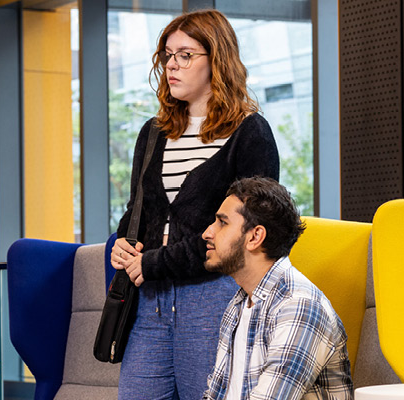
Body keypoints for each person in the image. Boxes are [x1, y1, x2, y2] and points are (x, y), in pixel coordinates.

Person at [109, 9, 280, 400]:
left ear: (216, 60)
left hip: (214, 297)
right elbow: (142, 209)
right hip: (150, 300)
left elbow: (247, 230)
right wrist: (124, 242)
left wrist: (153, 261)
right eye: (168, 55)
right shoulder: (153, 133)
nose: (172, 65)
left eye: (185, 55)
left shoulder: (249, 132)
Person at [200, 177, 352, 400]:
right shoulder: (239, 304)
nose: (207, 232)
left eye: (222, 223)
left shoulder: (299, 305)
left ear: (255, 237)